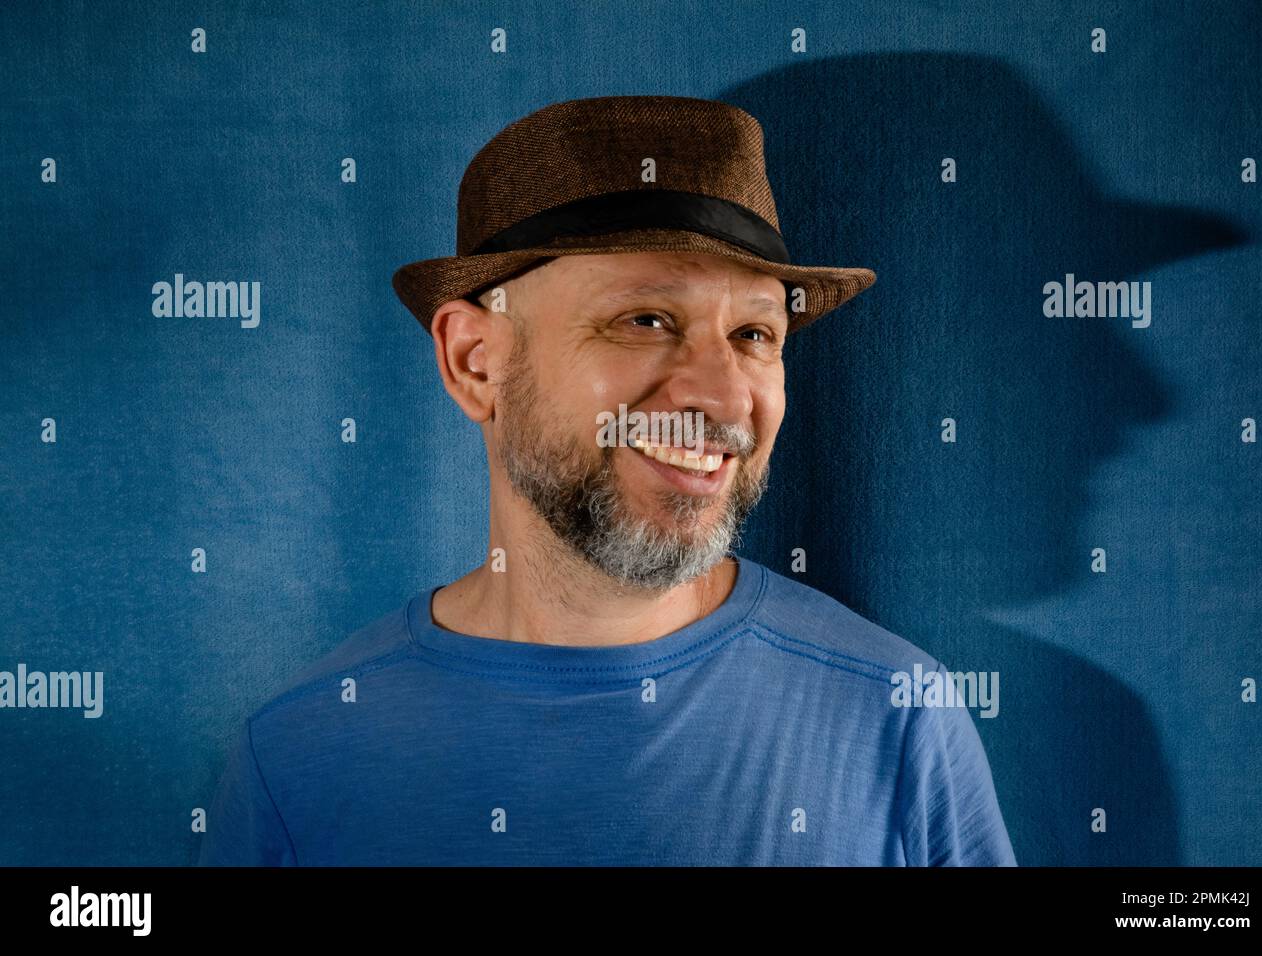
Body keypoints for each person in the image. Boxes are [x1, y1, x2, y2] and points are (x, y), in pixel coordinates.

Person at [198, 94, 1016, 866]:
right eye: (647, 320)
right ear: (475, 362)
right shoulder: (300, 757)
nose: (727, 396)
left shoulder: (895, 717)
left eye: (756, 333)